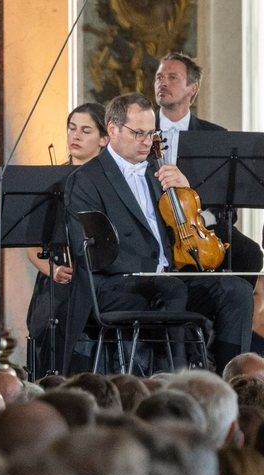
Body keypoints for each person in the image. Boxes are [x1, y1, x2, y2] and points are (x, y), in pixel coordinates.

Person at [64, 92, 253, 373]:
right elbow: (87, 251)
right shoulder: (85, 180)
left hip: (166, 279)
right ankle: (176, 381)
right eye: (138, 133)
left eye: (151, 132)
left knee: (236, 290)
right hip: (115, 284)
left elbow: (184, 228)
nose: (147, 141)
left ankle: (231, 380)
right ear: (113, 130)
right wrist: (151, 270)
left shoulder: (159, 172)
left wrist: (184, 189)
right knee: (171, 288)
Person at [153, 52, 263, 277]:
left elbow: (228, 207)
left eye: (172, 77)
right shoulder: (140, 131)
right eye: (159, 77)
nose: (162, 83)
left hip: (201, 227)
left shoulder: (215, 136)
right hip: (153, 219)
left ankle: (220, 308)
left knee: (249, 254)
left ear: (192, 89)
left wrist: (199, 221)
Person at [25, 103, 107, 377]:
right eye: (72, 129)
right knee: (52, 315)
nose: (76, 136)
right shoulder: (51, 183)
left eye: (86, 131)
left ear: (104, 139)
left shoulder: (108, 183)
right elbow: (33, 247)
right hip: (58, 278)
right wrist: (54, 269)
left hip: (99, 282)